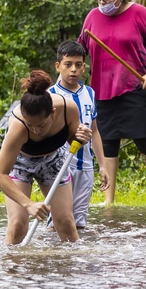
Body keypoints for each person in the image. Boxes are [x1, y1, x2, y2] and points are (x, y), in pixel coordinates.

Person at [79, 0, 146, 205]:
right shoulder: (92, 17)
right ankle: (108, 199)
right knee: (108, 141)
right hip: (102, 89)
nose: (102, 3)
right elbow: (80, 48)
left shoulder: (139, 13)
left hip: (135, 85)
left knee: (143, 140)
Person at [0, 70, 92, 244]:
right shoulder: (18, 126)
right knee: (18, 226)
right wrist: (28, 204)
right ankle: (11, 261)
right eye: (30, 125)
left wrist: (81, 137)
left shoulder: (67, 109)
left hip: (53, 161)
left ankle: (72, 261)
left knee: (66, 223)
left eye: (41, 125)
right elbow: (0, 175)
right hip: (21, 163)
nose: (36, 130)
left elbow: (74, 139)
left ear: (53, 113)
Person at [49, 40, 110, 229]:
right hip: (60, 165)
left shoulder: (89, 93)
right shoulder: (50, 95)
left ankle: (77, 249)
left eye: (78, 65)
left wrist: (103, 166)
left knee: (80, 222)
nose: (73, 70)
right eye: (68, 65)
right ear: (58, 66)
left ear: (84, 67)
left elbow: (95, 131)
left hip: (85, 167)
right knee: (58, 220)